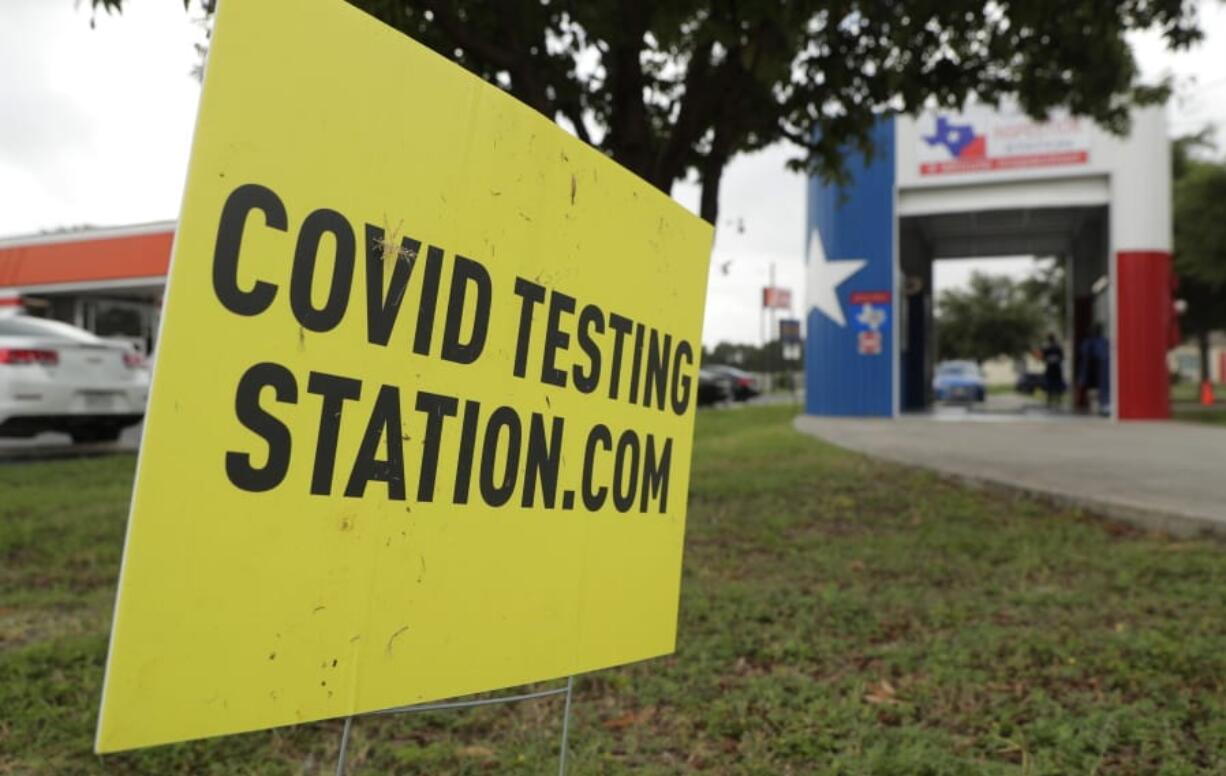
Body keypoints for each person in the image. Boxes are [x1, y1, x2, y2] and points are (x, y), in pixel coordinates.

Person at [1078, 323, 1110, 416]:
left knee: (1096, 389)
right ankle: (1099, 407)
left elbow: (1084, 357)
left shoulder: (1093, 342)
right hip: (1095, 369)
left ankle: (1100, 407)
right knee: (1096, 390)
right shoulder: (1102, 342)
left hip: (1096, 369)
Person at [1039, 333, 1066, 409]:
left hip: (1053, 368)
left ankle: (1052, 400)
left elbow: (1043, 358)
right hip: (1054, 369)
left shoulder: (1051, 348)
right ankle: (1055, 400)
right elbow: (1062, 357)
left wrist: (1050, 359)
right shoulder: (1054, 348)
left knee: (1053, 384)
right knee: (1053, 384)